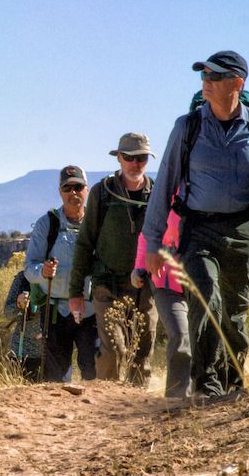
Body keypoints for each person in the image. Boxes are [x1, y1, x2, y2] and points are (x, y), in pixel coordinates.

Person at [143, 50, 249, 397]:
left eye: (214, 76)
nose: (206, 82)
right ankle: (207, 383)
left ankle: (232, 384)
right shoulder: (188, 126)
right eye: (204, 76)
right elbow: (165, 183)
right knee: (206, 298)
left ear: (237, 84)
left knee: (235, 312)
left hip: (243, 231)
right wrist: (153, 242)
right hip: (198, 229)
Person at [69, 133, 158, 386]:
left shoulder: (157, 194)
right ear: (119, 158)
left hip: (145, 287)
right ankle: (106, 409)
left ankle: (135, 413)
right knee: (113, 351)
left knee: (142, 354)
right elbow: (85, 243)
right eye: (129, 157)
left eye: (141, 158)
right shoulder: (102, 193)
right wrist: (75, 292)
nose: (135, 163)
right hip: (107, 285)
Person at [24, 165, 98, 382]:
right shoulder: (48, 224)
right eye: (67, 188)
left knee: (95, 377)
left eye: (78, 186)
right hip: (56, 313)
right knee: (56, 382)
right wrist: (43, 271)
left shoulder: (97, 223)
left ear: (87, 189)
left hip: (91, 311)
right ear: (60, 191)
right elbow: (29, 268)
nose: (73, 192)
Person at [131, 204, 190, 398]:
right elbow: (147, 236)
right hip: (166, 283)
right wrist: (139, 267)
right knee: (180, 333)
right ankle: (177, 399)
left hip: (202, 283)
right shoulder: (166, 198)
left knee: (204, 336)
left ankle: (206, 393)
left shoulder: (207, 195)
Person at [3, 269, 43, 381]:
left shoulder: (60, 277)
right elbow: (7, 312)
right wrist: (18, 305)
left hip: (50, 353)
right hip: (22, 351)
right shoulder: (22, 278)